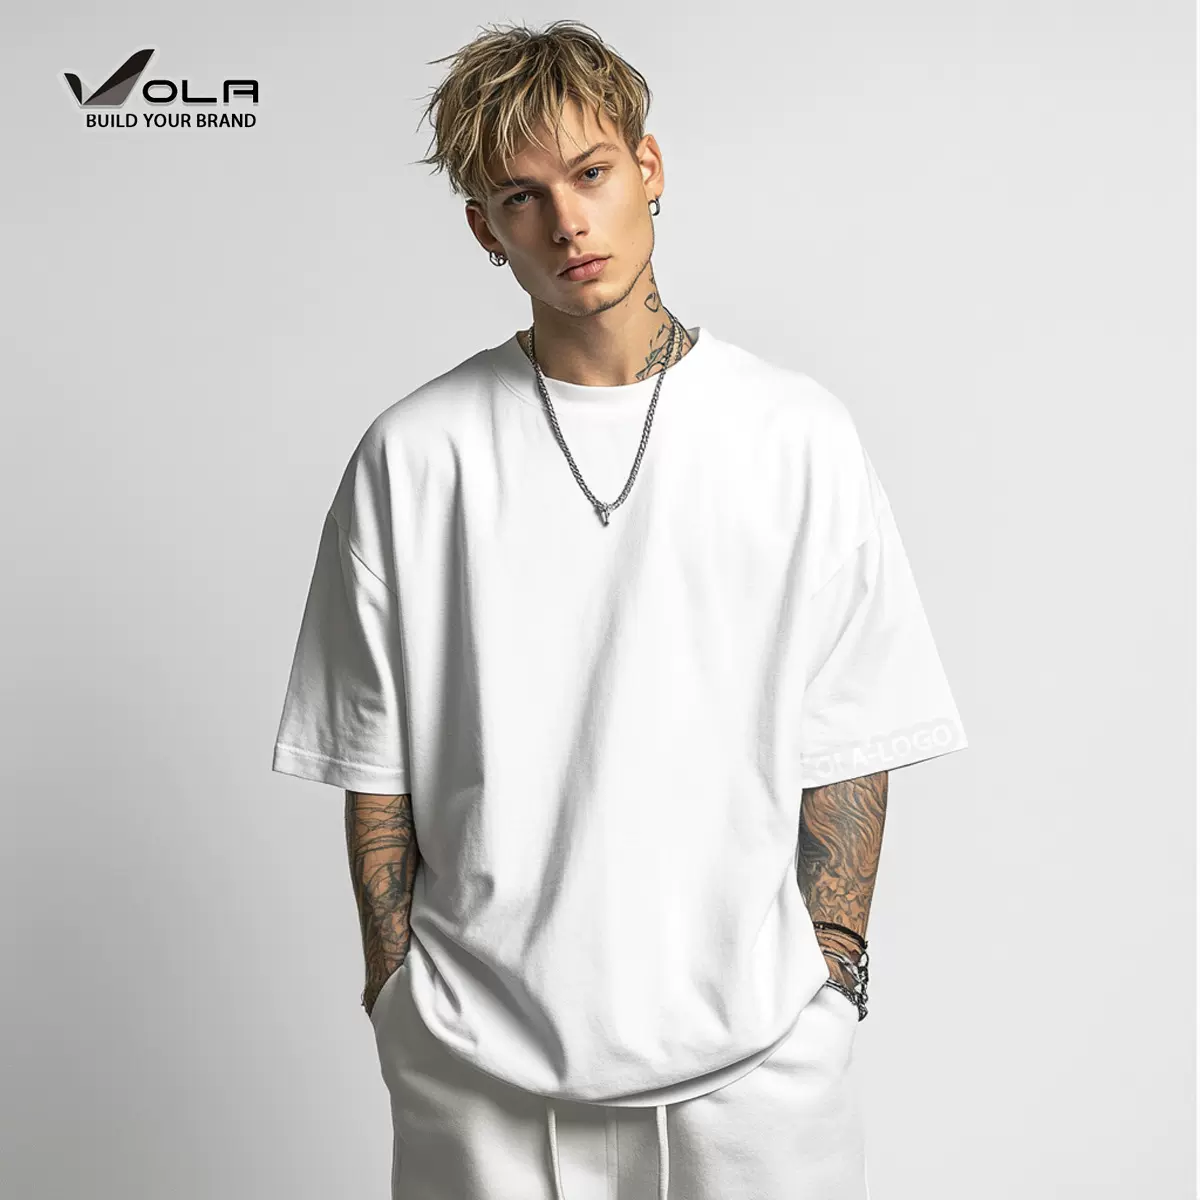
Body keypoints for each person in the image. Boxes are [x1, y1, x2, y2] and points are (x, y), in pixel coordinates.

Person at [271, 19, 968, 1200]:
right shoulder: (417, 454)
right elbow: (371, 762)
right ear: (486, 230)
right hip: (476, 1071)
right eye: (522, 197)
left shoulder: (794, 435)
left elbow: (854, 733)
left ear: (649, 168)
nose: (567, 223)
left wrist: (832, 972)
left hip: (758, 1073)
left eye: (590, 173)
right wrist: (395, 992)